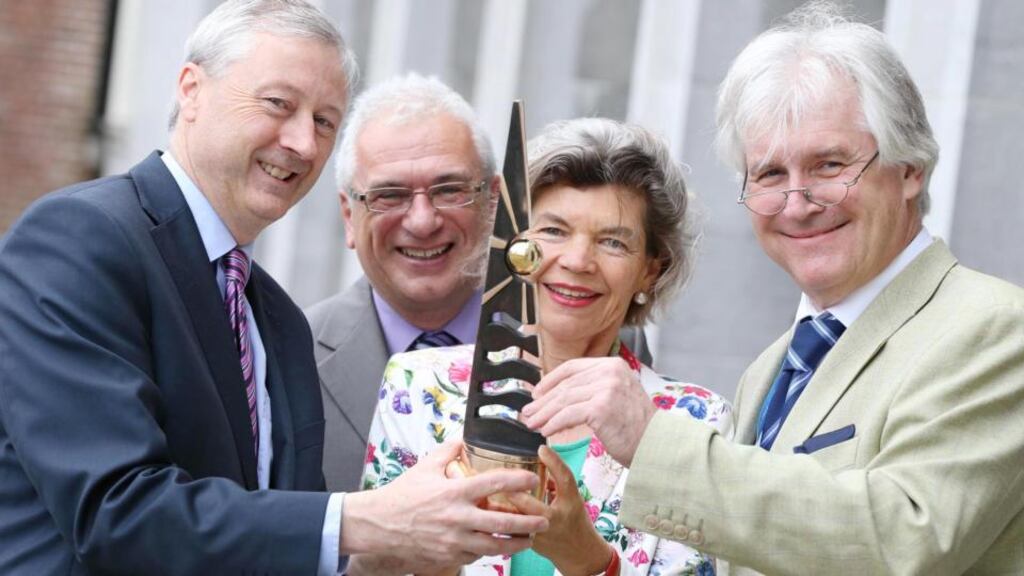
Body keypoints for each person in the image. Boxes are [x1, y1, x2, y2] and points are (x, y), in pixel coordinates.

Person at [0, 2, 546, 574]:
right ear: (191, 90)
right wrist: (367, 520)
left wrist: (388, 555)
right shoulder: (82, 238)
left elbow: (266, 541)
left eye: (325, 122)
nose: (304, 144)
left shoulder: (277, 317)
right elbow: (116, 513)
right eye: (278, 104)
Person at [521, 3, 1024, 575]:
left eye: (829, 165)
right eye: (770, 174)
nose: (797, 202)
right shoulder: (771, 367)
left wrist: (651, 441)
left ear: (910, 169)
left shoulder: (994, 329)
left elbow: (903, 539)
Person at [361, 117, 733, 575]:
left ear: (650, 271)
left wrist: (589, 559)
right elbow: (371, 564)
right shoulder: (418, 388)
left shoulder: (693, 422)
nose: (577, 261)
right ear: (513, 245)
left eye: (613, 242)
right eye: (554, 231)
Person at [307, 73, 651, 491]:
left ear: (494, 201)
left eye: (449, 190)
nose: (422, 222)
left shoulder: (600, 334)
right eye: (389, 195)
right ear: (349, 216)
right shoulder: (293, 352)